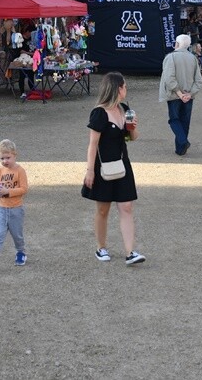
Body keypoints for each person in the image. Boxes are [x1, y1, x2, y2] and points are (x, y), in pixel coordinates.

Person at [82, 72, 144, 266]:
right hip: (103, 168)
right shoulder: (99, 113)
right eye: (125, 86)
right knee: (103, 209)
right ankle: (101, 247)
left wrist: (132, 127)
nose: (126, 89)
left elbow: (132, 138)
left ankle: (130, 252)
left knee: (126, 207)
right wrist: (90, 170)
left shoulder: (125, 109)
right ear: (118, 88)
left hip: (122, 164)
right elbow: (93, 144)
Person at [0, 139, 28, 271]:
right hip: (2, 208)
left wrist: (8, 191)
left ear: (15, 155)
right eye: (2, 158)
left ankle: (21, 252)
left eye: (8, 157)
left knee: (17, 235)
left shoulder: (20, 171)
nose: (5, 161)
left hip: (16, 209)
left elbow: (24, 189)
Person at [158, 34, 202, 156]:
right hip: (188, 95)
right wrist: (190, 93)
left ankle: (183, 142)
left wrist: (179, 93)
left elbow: (169, 78)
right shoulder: (193, 58)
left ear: (177, 44)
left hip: (174, 95)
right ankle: (180, 149)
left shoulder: (171, 57)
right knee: (185, 121)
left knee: (174, 120)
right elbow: (199, 80)